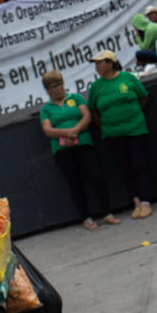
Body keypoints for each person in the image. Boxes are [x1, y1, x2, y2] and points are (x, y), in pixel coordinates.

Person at [40, 70, 121, 230]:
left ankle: (107, 212)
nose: (58, 89)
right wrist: (66, 133)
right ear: (48, 90)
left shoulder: (75, 98)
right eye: (53, 86)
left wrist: (75, 130)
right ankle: (86, 217)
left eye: (60, 84)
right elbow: (48, 130)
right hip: (62, 149)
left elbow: (87, 116)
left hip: (83, 143)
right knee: (75, 183)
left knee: (96, 177)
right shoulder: (46, 109)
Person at [86, 51, 154, 218]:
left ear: (110, 63)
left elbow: (143, 97)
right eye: (95, 64)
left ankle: (146, 201)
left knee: (140, 164)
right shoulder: (96, 87)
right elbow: (93, 110)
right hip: (112, 133)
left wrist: (133, 114)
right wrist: (104, 126)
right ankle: (136, 201)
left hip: (135, 128)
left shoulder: (127, 78)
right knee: (125, 167)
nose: (97, 66)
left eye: (100, 63)